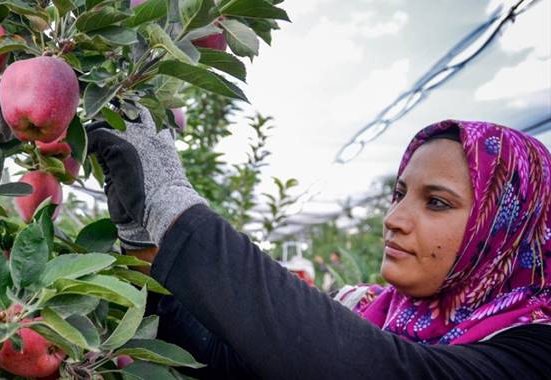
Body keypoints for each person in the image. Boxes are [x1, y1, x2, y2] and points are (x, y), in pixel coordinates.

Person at [87, 112, 551, 379]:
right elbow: (230, 362)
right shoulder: (368, 308)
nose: (393, 219)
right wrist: (142, 241)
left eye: (436, 202)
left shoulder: (533, 351)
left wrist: (173, 208)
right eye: (398, 194)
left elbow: (369, 371)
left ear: (507, 226)